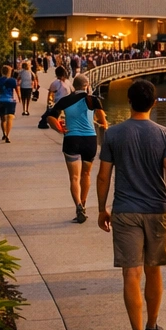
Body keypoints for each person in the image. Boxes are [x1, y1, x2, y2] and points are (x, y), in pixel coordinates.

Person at [95, 79, 166, 330]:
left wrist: (101, 208)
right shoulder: (165, 135)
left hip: (125, 211)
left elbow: (103, 175)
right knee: (153, 269)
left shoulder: (113, 135)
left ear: (129, 102)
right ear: (153, 103)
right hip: (158, 210)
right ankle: (152, 327)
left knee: (130, 274)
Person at [47, 74, 108, 223]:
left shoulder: (65, 101)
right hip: (90, 140)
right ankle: (84, 204)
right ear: (87, 86)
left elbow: (50, 118)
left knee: (74, 177)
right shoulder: (93, 100)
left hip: (71, 139)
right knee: (86, 174)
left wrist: (60, 129)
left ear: (74, 86)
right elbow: (103, 122)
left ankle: (78, 206)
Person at [0, 64, 19, 142]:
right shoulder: (13, 80)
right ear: (10, 72)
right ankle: (8, 135)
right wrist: (19, 98)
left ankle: (4, 133)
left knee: (3, 119)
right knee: (10, 118)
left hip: (1, 100)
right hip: (10, 100)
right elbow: (16, 90)